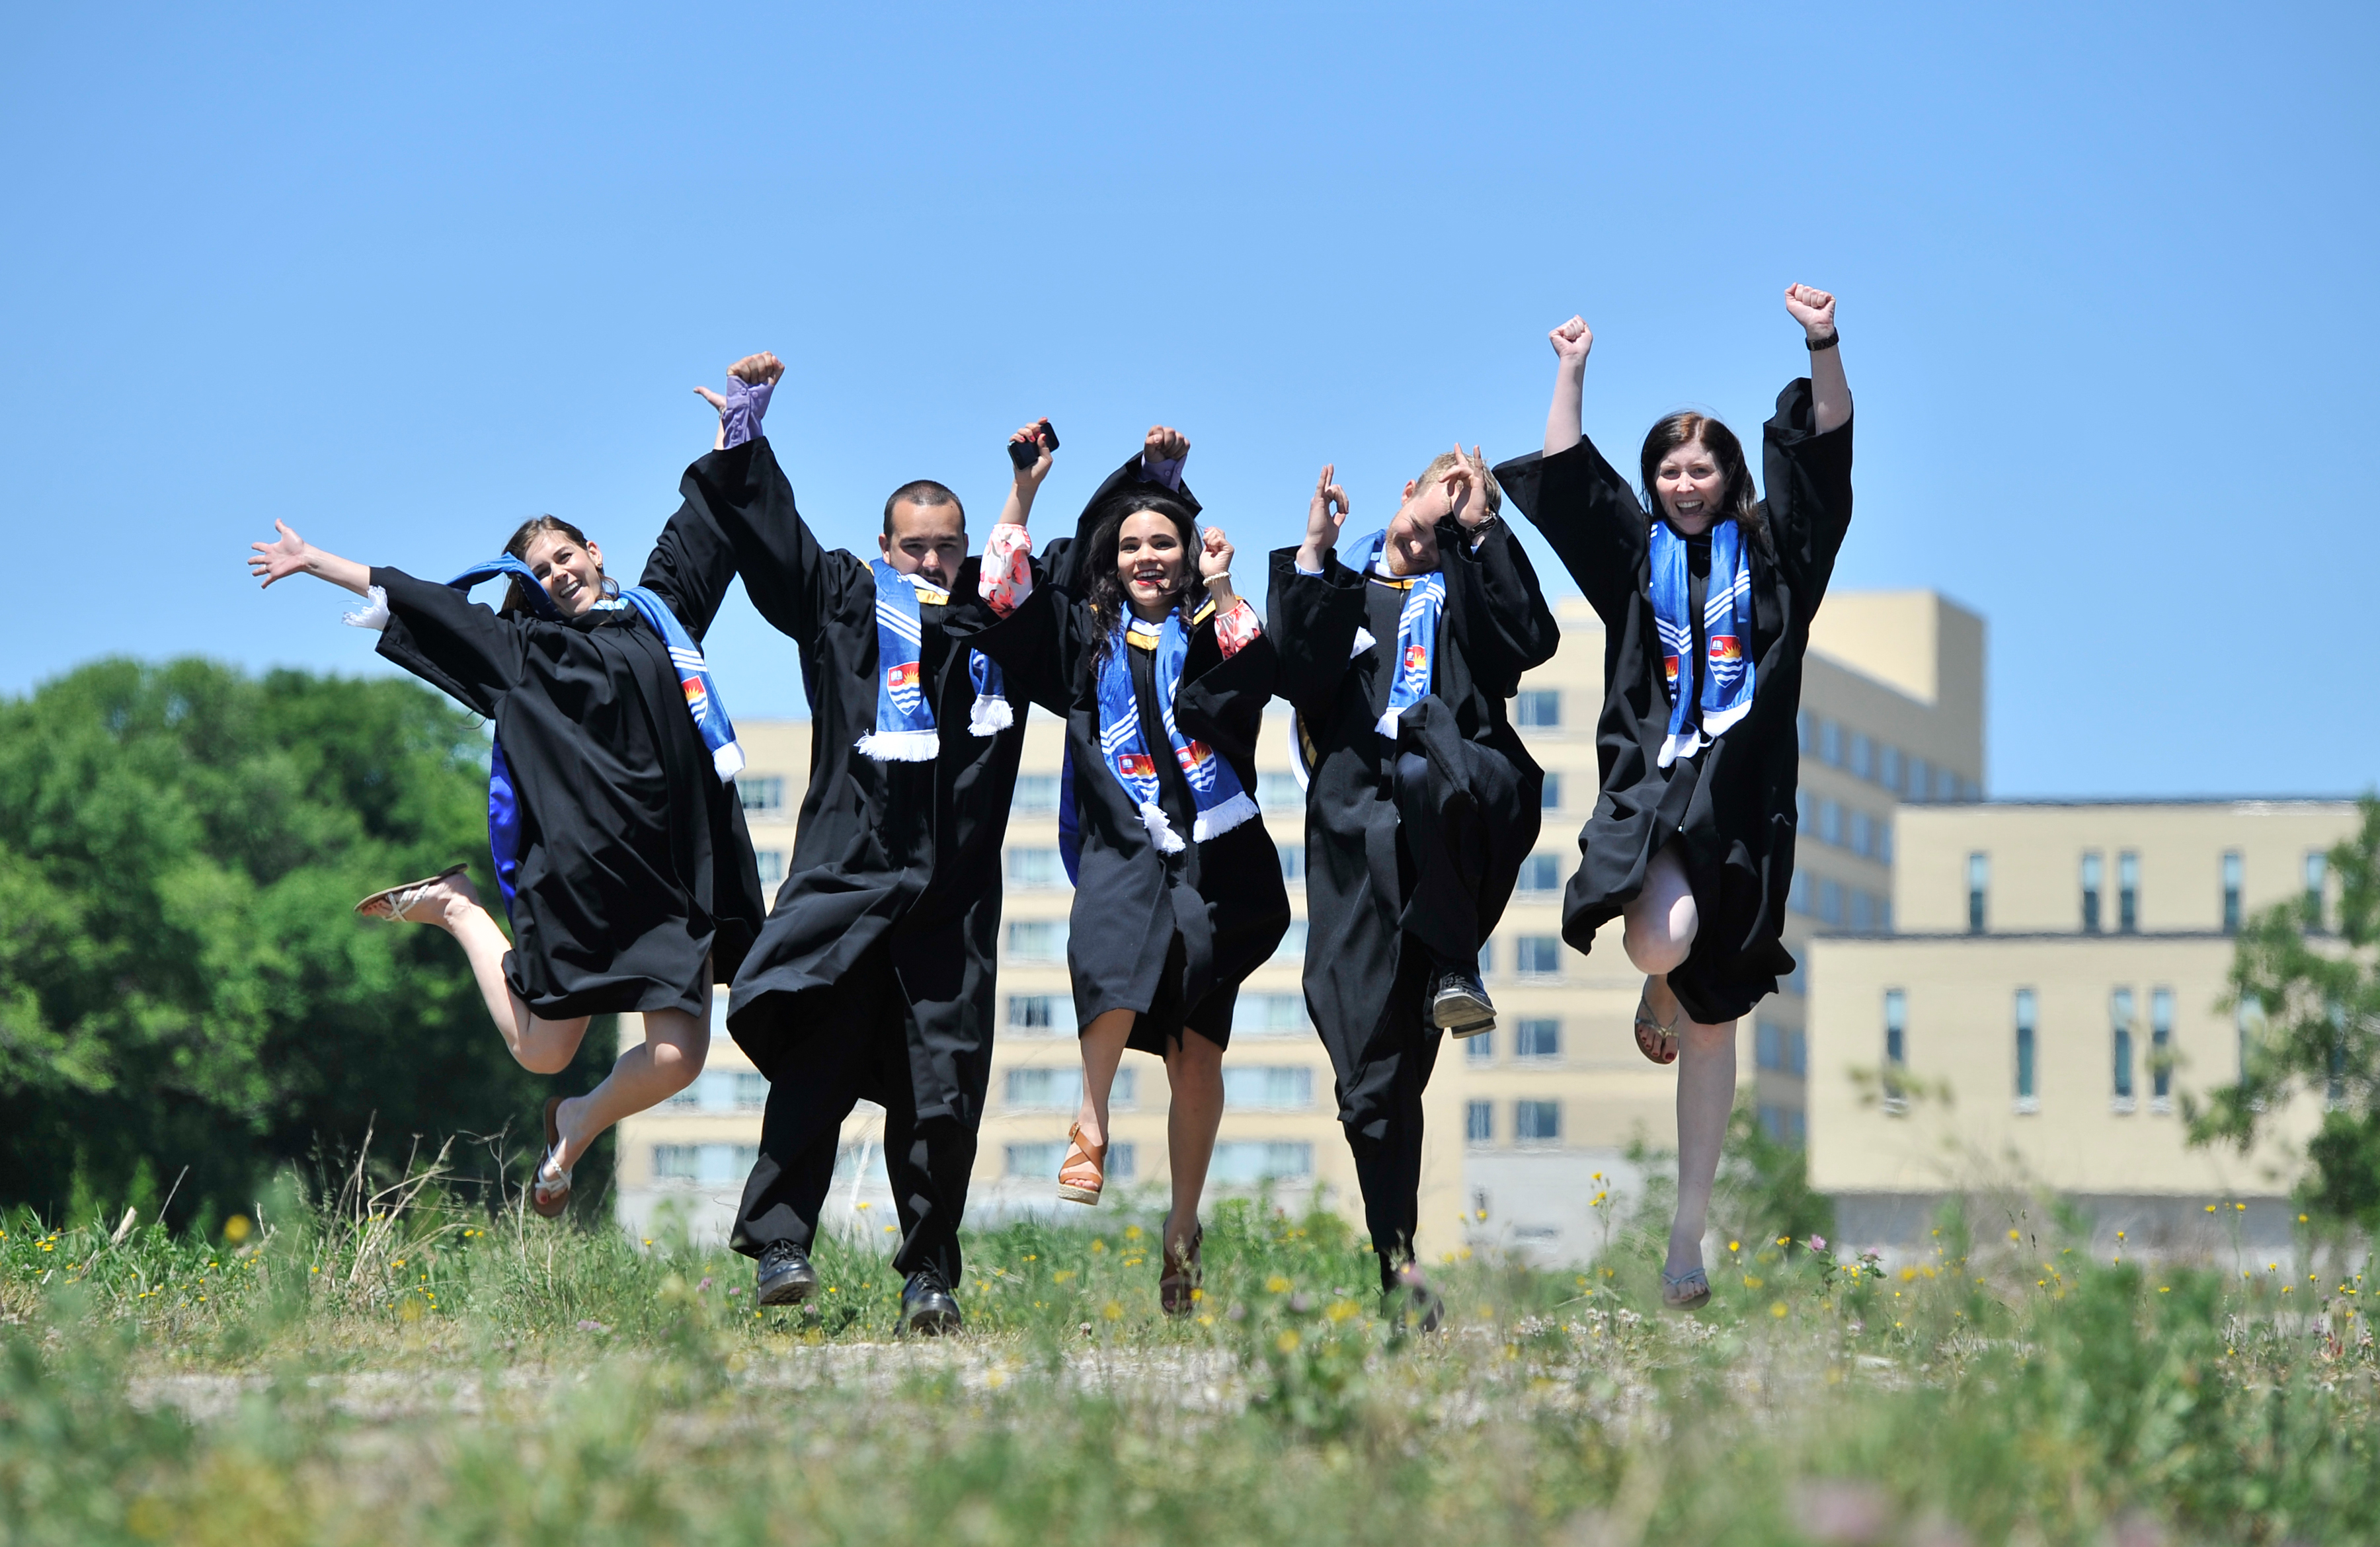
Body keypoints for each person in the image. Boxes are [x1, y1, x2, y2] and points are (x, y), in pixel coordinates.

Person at [245, 362, 771, 1219]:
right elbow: (425, 600)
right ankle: (456, 907)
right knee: (540, 1051)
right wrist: (317, 563)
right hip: (584, 889)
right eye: (540, 567)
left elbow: (701, 528)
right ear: (531, 584)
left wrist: (738, 428)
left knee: (679, 1059)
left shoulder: (660, 618)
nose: (558, 571)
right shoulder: (524, 655)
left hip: (670, 887)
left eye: (567, 554)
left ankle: (574, 1128)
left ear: (594, 553)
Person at [1492, 285, 1852, 1310]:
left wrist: (1822, 343)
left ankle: (1686, 1239)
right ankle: (1652, 978)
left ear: (1730, 475)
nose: (1684, 482)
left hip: (1743, 805)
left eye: (1702, 468)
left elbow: (1827, 455)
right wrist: (1570, 370)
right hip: (1653, 788)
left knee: (1714, 1023)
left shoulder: (1780, 558)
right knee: (1661, 939)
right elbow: (1569, 478)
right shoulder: (1636, 556)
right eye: (1669, 468)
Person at [675, 364, 1030, 1335]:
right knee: (815, 1068)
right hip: (848, 882)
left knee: (940, 1097)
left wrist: (1039, 491)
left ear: (965, 551)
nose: (929, 563)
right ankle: (781, 1246)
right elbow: (777, 546)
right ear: (885, 547)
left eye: (946, 549)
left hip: (948, 904)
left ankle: (929, 1278)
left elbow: (1104, 584)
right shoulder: (843, 600)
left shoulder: (998, 631)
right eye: (913, 548)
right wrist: (748, 431)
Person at [946, 424, 1289, 1314]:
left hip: (1216, 857)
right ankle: (1090, 1120)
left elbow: (1255, 667)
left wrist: (1220, 588)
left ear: (1186, 555)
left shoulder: (1212, 623)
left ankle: (1183, 1228)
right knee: (1104, 941)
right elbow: (999, 592)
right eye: (1131, 544)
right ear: (1111, 558)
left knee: (1196, 1053)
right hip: (1118, 841)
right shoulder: (1081, 636)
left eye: (1162, 543)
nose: (1146, 556)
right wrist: (1024, 489)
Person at [1268, 447, 1558, 1326]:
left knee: (1433, 751)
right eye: (1445, 493)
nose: (1448, 515)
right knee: (1373, 1086)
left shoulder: (1465, 590)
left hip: (1463, 818)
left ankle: (1453, 962)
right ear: (1407, 492)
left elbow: (1532, 640)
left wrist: (1485, 531)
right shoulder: (1346, 595)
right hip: (1360, 857)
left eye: (1467, 505)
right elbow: (1296, 667)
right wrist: (1314, 552)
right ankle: (1398, 1270)